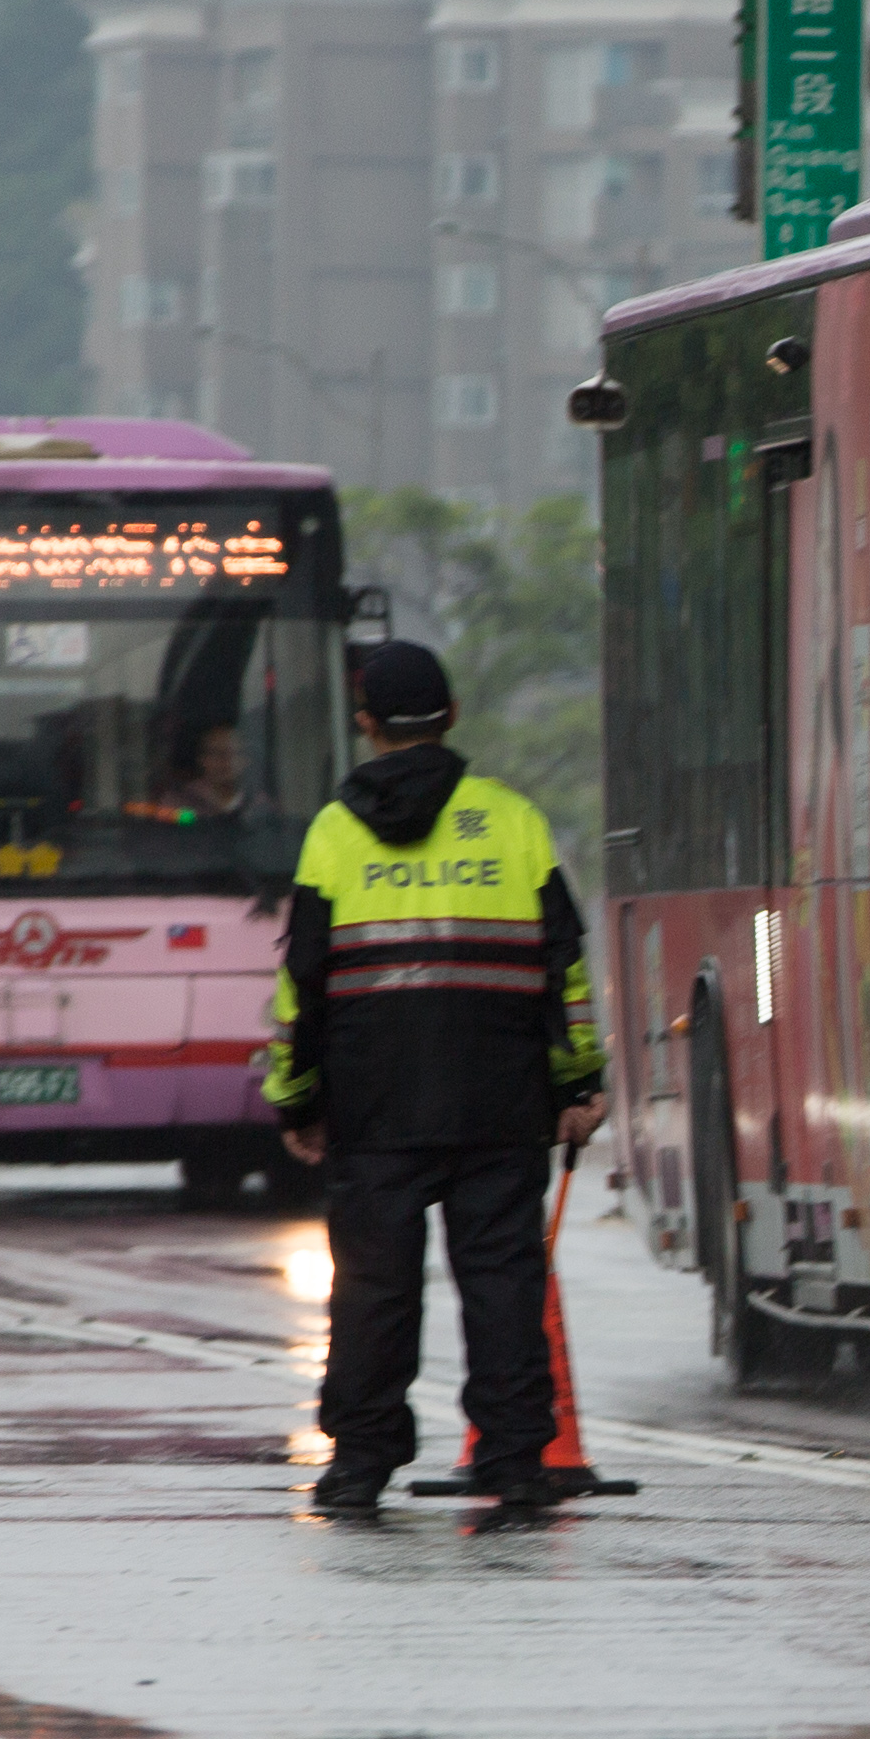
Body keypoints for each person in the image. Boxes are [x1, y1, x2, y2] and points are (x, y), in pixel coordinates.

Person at [266, 640, 602, 1510]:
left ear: (366, 723)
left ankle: (359, 1464)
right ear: (452, 717)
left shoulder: (334, 834)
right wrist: (578, 1085)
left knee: (373, 1289)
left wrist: (296, 1100)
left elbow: (303, 983)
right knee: (503, 1282)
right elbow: (562, 968)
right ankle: (515, 1460)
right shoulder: (514, 823)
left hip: (373, 1106)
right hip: (501, 1101)